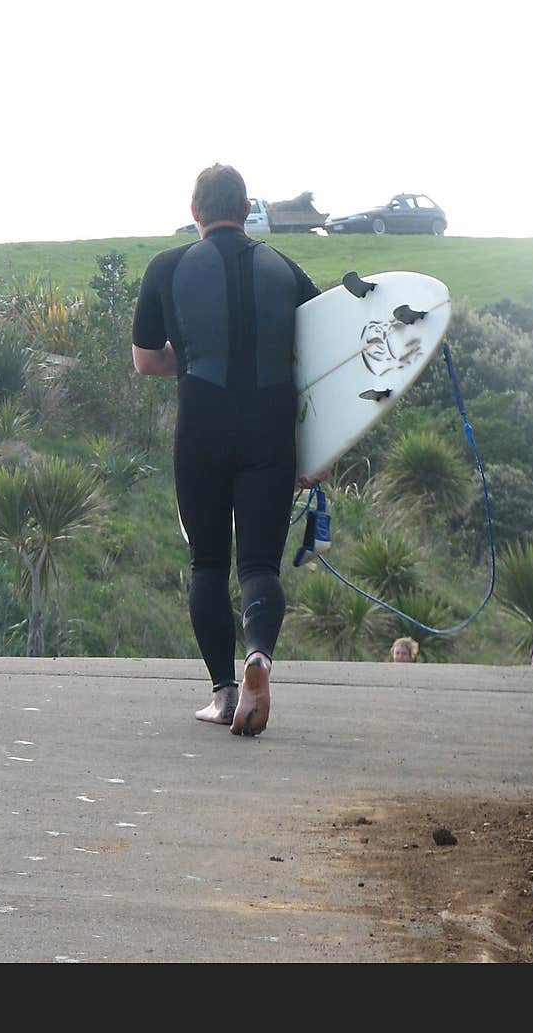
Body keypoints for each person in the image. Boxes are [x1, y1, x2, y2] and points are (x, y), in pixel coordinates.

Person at [132, 164, 320, 736]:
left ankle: (222, 692)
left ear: (196, 213)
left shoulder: (167, 267)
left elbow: (146, 360)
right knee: (260, 564)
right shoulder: (285, 267)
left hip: (203, 426)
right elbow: (323, 352)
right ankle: (259, 655)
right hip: (271, 427)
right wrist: (322, 446)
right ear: (246, 209)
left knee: (208, 564)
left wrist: (189, 361)